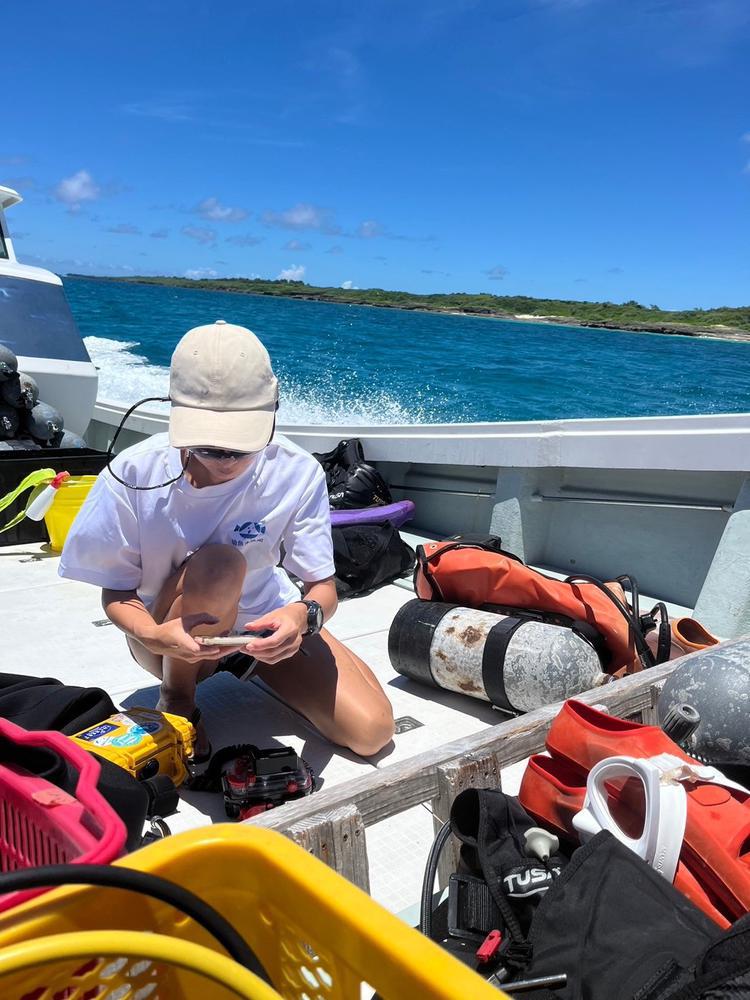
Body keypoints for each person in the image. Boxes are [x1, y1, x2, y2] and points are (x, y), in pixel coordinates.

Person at [59, 320, 395, 759]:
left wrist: (302, 618)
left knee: (372, 732)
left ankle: (262, 665)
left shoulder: (298, 472)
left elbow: (322, 589)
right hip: (166, 635)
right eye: (209, 447)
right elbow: (117, 590)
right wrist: (155, 636)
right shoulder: (134, 473)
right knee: (220, 563)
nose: (226, 460)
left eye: (241, 447)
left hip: (260, 627)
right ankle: (178, 695)